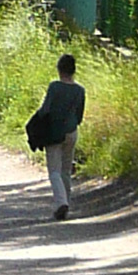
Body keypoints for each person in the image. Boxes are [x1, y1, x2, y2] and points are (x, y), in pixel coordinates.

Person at [32, 51, 87, 221]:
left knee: (54, 170)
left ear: (59, 69)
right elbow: (79, 115)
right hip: (71, 132)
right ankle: (65, 203)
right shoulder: (79, 90)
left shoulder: (54, 87)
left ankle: (61, 202)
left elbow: (45, 110)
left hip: (54, 133)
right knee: (65, 170)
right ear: (74, 70)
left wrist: (36, 122)